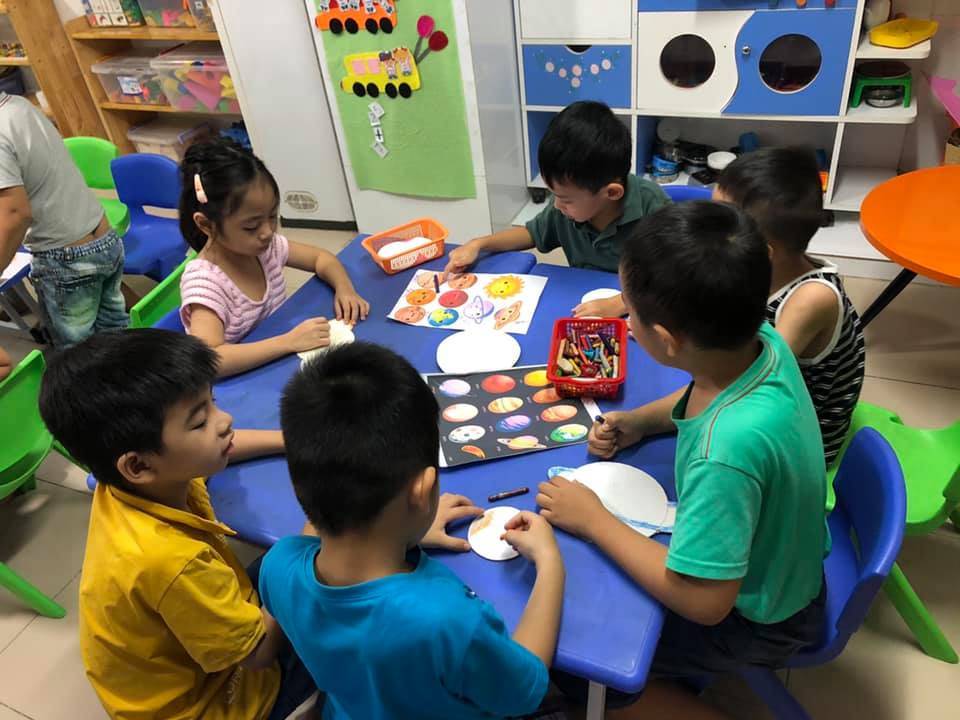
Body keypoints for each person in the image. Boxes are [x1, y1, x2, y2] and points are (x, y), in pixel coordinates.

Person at [538, 203, 828, 713]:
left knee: (580, 664)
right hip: (787, 565)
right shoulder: (760, 339)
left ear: (669, 341)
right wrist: (640, 421)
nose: (626, 322)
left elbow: (704, 602)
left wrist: (594, 521)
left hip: (761, 617)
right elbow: (705, 391)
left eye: (630, 313)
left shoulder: (725, 452)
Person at [259, 342, 566, 719]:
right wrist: (550, 562)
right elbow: (525, 690)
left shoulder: (277, 565)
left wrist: (403, 527)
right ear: (423, 491)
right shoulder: (448, 622)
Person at [38, 329, 317, 720]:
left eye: (213, 403)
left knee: (293, 564)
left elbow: (222, 445)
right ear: (138, 465)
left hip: (182, 658)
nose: (225, 421)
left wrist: (293, 439)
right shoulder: (170, 562)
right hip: (216, 702)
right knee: (341, 597)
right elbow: (258, 655)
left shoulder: (136, 481)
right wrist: (316, 528)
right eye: (200, 421)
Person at [440, 100, 668, 318]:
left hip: (639, 310)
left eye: (565, 199)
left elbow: (672, 277)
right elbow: (532, 233)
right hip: (581, 298)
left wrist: (620, 303)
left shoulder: (653, 208)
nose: (557, 205)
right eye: (554, 195)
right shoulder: (566, 209)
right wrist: (478, 244)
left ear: (611, 193)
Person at [715, 147, 865, 465]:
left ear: (760, 251)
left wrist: (644, 420)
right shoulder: (761, 268)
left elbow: (742, 386)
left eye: (717, 225)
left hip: (807, 444)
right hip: (765, 399)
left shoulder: (811, 300)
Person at [179, 139, 369, 378]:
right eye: (251, 226)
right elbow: (210, 361)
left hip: (278, 364)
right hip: (244, 382)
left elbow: (321, 258)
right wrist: (288, 342)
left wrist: (345, 289)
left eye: (272, 216)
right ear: (206, 225)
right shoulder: (206, 283)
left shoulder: (265, 247)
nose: (267, 232)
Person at [0, 93, 127, 347]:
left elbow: (15, 213)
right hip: (103, 236)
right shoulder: (18, 106)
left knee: (78, 358)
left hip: (67, 258)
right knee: (118, 345)